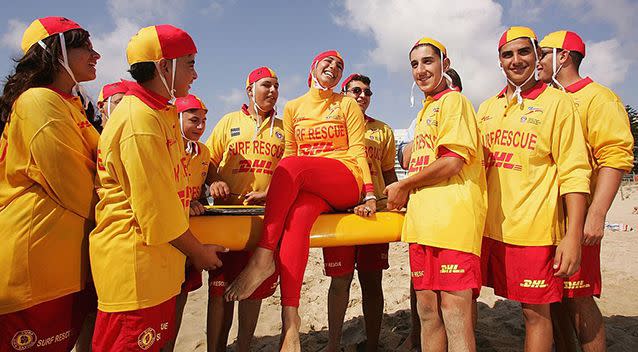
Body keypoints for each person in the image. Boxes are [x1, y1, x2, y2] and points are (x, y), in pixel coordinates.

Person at [224, 50, 375, 351]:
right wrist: (274, 191)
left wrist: (369, 193)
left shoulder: (346, 104)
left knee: (291, 167)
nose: (333, 67)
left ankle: (263, 257)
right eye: (328, 62)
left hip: (345, 177)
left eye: (339, 66)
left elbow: (357, 150)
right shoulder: (293, 107)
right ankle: (290, 323)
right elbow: (292, 152)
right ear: (313, 67)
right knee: (297, 220)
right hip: (310, 186)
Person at [89, 24, 225, 351]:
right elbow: (157, 209)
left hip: (157, 265)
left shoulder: (159, 112)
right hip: (135, 269)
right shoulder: (139, 120)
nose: (195, 74)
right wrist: (199, 253)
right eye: (189, 63)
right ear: (165, 65)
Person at [477, 26, 591, 352]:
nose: (516, 60)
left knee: (535, 315)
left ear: (537, 55)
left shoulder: (558, 104)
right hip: (488, 230)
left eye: (524, 52)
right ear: (499, 61)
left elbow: (575, 172)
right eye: (507, 54)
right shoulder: (487, 107)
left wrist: (573, 235)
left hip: (534, 232)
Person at [0, 16, 101, 351]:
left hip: (61, 263)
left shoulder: (68, 104)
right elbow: (77, 187)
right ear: (56, 51)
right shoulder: (38, 102)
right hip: (35, 267)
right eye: (85, 46)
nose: (96, 54)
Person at [385, 37, 486, 352]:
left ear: (446, 64)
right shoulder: (428, 109)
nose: (420, 70)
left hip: (453, 223)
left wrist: (404, 184)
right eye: (414, 64)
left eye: (428, 61)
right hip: (422, 223)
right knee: (427, 313)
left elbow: (453, 162)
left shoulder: (455, 102)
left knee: (455, 314)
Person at [537, 30, 634, 352]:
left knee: (579, 295)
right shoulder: (549, 99)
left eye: (542, 53)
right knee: (554, 297)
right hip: (547, 217)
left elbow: (615, 157)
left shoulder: (598, 97)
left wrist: (596, 214)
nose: (535, 60)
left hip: (577, 216)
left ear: (562, 56)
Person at [204, 67, 283, 352]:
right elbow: (208, 160)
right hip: (227, 219)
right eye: (266, 85)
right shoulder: (228, 122)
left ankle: (244, 347)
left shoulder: (284, 129)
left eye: (276, 86)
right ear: (249, 89)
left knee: (253, 293)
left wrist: (271, 192)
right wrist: (214, 182)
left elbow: (291, 173)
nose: (272, 91)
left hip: (264, 220)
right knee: (219, 293)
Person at [323, 73, 397, 352]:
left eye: (367, 92)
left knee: (371, 281)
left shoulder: (382, 130)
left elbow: (389, 172)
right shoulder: (329, 127)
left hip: (374, 214)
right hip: (341, 214)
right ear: (345, 93)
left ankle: (374, 344)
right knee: (339, 282)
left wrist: (395, 199)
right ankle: (332, 345)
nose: (362, 96)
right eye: (356, 91)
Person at [163, 93, 211, 352]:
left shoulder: (204, 152)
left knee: (181, 296)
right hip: (166, 236)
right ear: (177, 119)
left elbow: (202, 188)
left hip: (191, 236)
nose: (201, 127)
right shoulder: (164, 147)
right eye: (194, 120)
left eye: (204, 121)